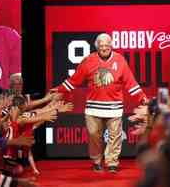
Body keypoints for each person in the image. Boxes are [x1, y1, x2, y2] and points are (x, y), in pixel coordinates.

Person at [53, 33, 147, 173]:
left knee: (115, 136)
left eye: (107, 45)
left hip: (114, 107)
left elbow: (131, 83)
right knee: (93, 135)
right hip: (93, 108)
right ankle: (96, 161)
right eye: (101, 45)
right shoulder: (88, 60)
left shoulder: (120, 60)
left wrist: (142, 98)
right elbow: (75, 80)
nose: (104, 48)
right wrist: (60, 89)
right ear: (97, 47)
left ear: (111, 46)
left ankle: (112, 163)